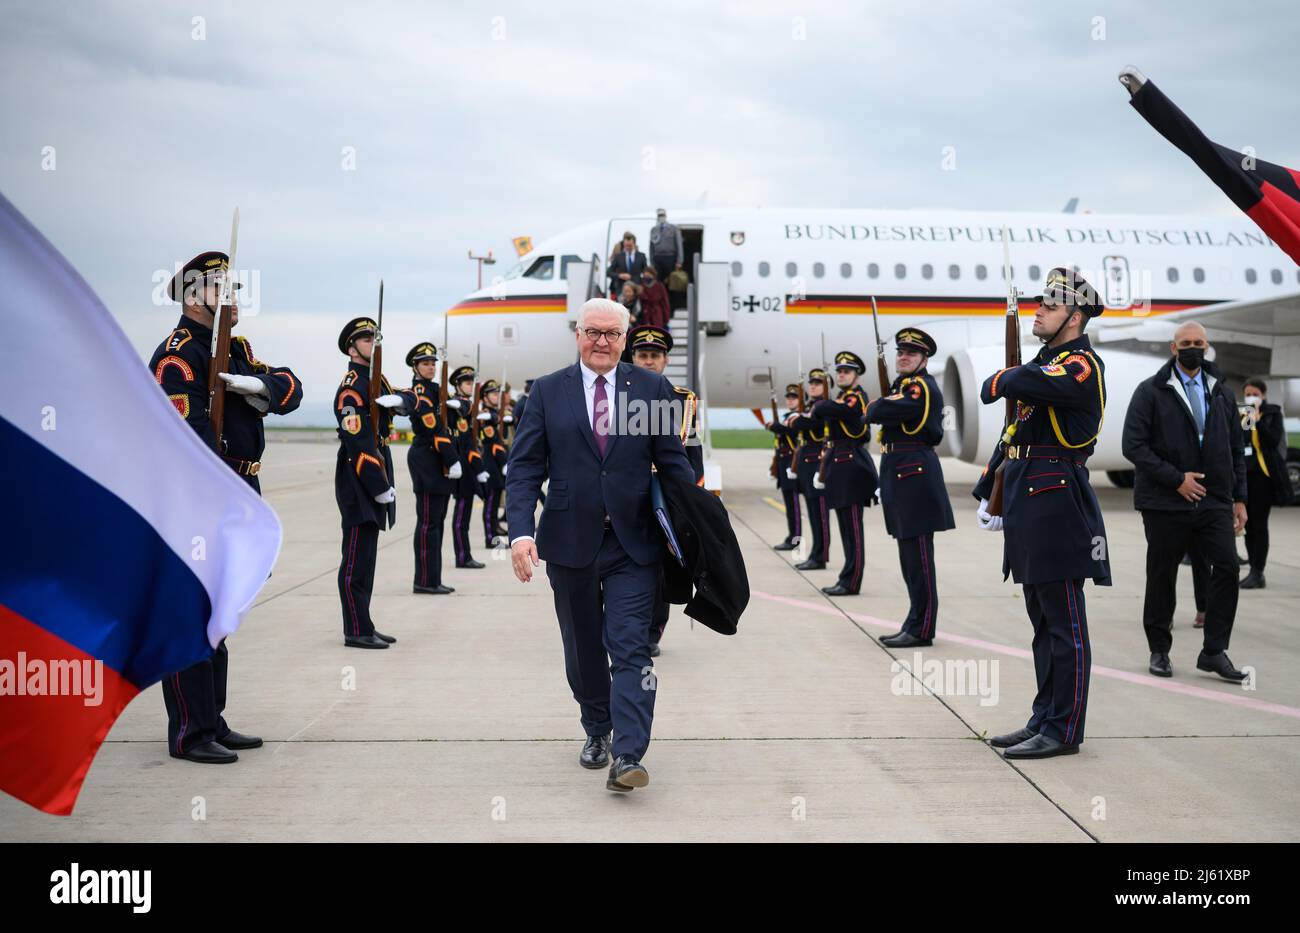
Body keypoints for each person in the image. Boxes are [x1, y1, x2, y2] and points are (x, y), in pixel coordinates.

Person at [506, 298, 697, 793]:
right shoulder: (548, 392)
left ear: (624, 339)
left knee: (632, 647)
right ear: (577, 334)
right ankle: (597, 728)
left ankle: (629, 752)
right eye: (593, 332)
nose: (602, 342)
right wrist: (521, 532)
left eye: (612, 334)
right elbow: (525, 467)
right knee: (583, 647)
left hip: (633, 543)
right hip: (569, 541)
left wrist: (696, 524)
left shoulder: (650, 388)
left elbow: (672, 462)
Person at [151, 249, 303, 763]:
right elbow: (187, 439)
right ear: (195, 297)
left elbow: (292, 387)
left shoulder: (233, 349)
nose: (234, 299)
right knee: (190, 616)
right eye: (223, 290)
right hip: (197, 502)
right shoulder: (178, 357)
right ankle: (190, 732)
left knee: (219, 614)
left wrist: (258, 386)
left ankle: (212, 718)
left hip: (238, 496)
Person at [974, 267, 1109, 759]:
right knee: (1042, 621)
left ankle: (1064, 728)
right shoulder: (1044, 368)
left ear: (1074, 317)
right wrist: (989, 488)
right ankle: (1044, 717)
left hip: (1057, 501)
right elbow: (1013, 430)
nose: (1038, 311)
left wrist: (1008, 376)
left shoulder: (1079, 367)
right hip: (1030, 498)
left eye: (1049, 306)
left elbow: (1009, 383)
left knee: (1065, 622)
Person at [1122, 321, 1250, 682]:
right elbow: (1133, 446)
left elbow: (1235, 449)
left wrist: (1239, 498)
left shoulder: (1222, 392)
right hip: (1165, 502)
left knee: (1226, 567)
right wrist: (1176, 480)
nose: (1193, 348)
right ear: (1173, 348)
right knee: (1162, 574)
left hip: (1213, 502)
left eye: (1199, 342)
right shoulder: (1151, 391)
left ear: (1207, 347)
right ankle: (1159, 650)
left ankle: (1214, 650)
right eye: (1186, 343)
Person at [866, 328, 955, 648]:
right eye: (900, 353)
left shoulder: (920, 388)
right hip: (901, 472)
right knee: (909, 555)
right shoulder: (904, 387)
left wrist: (880, 404)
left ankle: (922, 627)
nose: (903, 357)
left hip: (914, 474)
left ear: (924, 358)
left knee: (918, 556)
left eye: (911, 354)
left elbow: (876, 412)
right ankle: (914, 621)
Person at [334, 317, 414, 649]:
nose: (373, 343)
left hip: (375, 468)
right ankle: (355, 629)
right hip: (358, 474)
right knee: (354, 557)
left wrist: (401, 402)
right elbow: (358, 441)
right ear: (352, 348)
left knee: (367, 556)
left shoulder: (375, 379)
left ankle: (364, 622)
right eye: (367, 340)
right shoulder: (352, 386)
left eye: (375, 338)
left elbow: (409, 398)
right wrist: (377, 483)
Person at [627, 323, 703, 657]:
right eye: (642, 355)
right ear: (632, 358)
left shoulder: (683, 401)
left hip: (665, 494)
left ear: (665, 360)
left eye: (654, 356)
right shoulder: (614, 396)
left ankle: (651, 630)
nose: (648, 361)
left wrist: (692, 501)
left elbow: (693, 454)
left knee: (662, 566)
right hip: (627, 491)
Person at [811, 351, 879, 596]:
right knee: (845, 527)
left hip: (852, 465)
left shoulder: (857, 397)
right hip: (839, 464)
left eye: (846, 371)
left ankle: (851, 581)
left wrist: (822, 406)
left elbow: (833, 410)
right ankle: (846, 577)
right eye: (839, 371)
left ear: (856, 375)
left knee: (852, 528)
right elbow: (825, 410)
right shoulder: (842, 397)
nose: (841, 374)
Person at [404, 342, 463, 595]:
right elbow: (434, 430)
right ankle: (424, 580)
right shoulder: (419, 392)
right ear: (416, 367)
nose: (431, 367)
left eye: (433, 363)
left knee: (437, 522)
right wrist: (452, 459)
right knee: (428, 523)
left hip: (439, 460)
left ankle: (433, 578)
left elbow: (457, 417)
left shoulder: (437, 390)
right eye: (425, 363)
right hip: (428, 459)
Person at [1240, 376, 1293, 588]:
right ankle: (1253, 566)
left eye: (1255, 394)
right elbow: (1241, 442)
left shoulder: (1273, 413)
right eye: (1248, 394)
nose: (1250, 397)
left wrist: (1258, 420)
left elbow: (1272, 439)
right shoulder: (1245, 413)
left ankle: (1258, 571)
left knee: (1260, 525)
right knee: (1247, 524)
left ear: (1263, 395)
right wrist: (1247, 418)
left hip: (1264, 476)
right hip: (1246, 475)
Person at [784, 369, 833, 570]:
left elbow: (810, 423)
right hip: (807, 464)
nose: (812, 386)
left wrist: (797, 420)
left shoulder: (825, 407)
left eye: (818, 383)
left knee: (820, 514)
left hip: (818, 464)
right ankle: (815, 553)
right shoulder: (813, 406)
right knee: (813, 513)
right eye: (811, 383)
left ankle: (820, 556)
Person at [448, 365, 487, 569]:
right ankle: (462, 556)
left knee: (465, 515)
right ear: (457, 385)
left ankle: (465, 554)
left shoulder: (464, 406)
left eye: (472, 383)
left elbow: (469, 443)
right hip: (459, 466)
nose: (470, 386)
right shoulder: (453, 406)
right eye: (467, 383)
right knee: (461, 516)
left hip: (468, 466)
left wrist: (479, 468)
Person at [767, 383, 804, 552]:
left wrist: (777, 427)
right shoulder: (787, 417)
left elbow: (795, 434)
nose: (790, 400)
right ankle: (791, 536)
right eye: (788, 398)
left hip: (793, 463)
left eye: (794, 397)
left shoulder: (799, 417)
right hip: (783, 463)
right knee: (789, 505)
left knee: (794, 505)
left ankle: (795, 538)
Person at [476, 378, 509, 548]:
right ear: (485, 397)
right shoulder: (485, 417)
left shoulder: (492, 415)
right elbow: (493, 444)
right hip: (490, 465)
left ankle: (495, 535)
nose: (497, 397)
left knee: (495, 504)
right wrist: (504, 461)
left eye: (497, 394)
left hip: (495, 466)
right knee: (490, 506)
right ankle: (490, 539)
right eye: (493, 394)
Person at [647, 208, 684, 283]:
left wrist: (679, 261)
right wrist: (651, 262)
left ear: (666, 216)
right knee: (658, 280)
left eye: (662, 215)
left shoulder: (673, 228)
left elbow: (679, 245)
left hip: (670, 257)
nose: (661, 217)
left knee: (671, 280)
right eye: (659, 215)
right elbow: (651, 247)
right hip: (657, 257)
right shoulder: (654, 229)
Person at [607, 231, 647, 297]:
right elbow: (608, 272)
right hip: (621, 291)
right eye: (626, 245)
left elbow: (645, 272)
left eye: (630, 245)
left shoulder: (641, 256)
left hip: (636, 290)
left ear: (634, 244)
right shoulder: (618, 256)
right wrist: (620, 275)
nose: (628, 247)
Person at [638, 265, 672, 329]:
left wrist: (666, 318)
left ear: (653, 275)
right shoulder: (641, 287)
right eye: (645, 276)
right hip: (645, 315)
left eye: (648, 275)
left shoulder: (660, 286)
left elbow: (665, 303)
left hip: (657, 314)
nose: (646, 277)